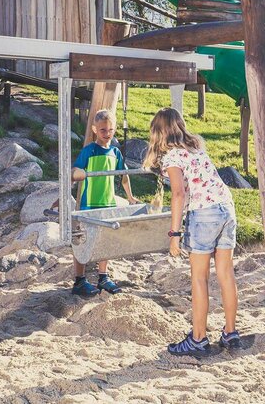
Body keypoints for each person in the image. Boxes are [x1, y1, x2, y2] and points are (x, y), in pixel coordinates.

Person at [143, 107, 240, 356]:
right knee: (226, 274)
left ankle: (198, 339)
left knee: (199, 278)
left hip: (204, 213)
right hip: (226, 208)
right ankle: (230, 333)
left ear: (158, 132)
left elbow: (178, 193)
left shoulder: (172, 157)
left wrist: (174, 234)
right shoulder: (196, 148)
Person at [70, 109, 139, 297]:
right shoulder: (89, 150)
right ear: (94, 129)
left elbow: (124, 175)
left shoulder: (115, 152)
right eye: (102, 130)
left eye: (110, 130)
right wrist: (64, 194)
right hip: (89, 203)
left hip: (108, 202)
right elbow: (75, 171)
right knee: (83, 240)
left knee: (105, 240)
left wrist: (130, 197)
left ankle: (103, 276)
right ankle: (79, 280)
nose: (107, 133)